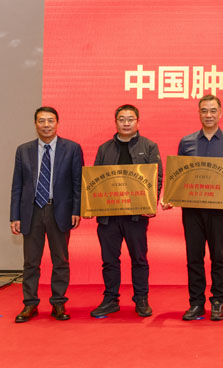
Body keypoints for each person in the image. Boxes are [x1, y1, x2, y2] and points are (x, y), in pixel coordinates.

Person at [175, 94, 223, 321]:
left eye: (213, 110)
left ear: (220, 113)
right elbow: (180, 176)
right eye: (204, 110)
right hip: (192, 210)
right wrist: (171, 196)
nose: (208, 115)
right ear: (199, 113)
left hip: (220, 210)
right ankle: (196, 303)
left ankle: (218, 301)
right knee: (194, 257)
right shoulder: (186, 142)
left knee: (219, 257)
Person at [10, 106, 83, 323]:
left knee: (60, 259)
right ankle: (30, 303)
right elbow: (17, 186)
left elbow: (78, 183)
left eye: (50, 121)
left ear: (57, 123)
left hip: (59, 211)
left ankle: (58, 302)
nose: (46, 125)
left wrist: (76, 210)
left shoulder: (72, 149)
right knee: (31, 261)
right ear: (35, 124)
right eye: (41, 121)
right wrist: (15, 215)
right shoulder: (24, 150)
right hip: (31, 211)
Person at [89, 104, 163, 318]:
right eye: (122, 119)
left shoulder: (149, 146)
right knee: (109, 260)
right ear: (116, 122)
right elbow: (94, 180)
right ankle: (110, 299)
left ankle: (141, 299)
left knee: (139, 259)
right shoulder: (104, 148)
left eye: (130, 119)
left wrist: (151, 204)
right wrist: (90, 206)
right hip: (108, 216)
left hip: (136, 216)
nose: (126, 123)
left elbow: (157, 178)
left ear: (138, 122)